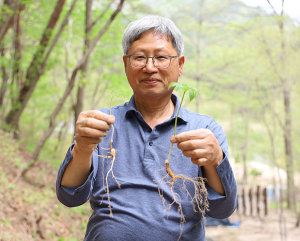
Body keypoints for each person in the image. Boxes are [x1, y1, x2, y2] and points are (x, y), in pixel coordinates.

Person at [56, 15, 237, 241]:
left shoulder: (205, 129)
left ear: (180, 65)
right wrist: (82, 147)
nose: (150, 67)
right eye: (139, 57)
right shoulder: (102, 124)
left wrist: (215, 159)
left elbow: (221, 211)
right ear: (125, 64)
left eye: (161, 57)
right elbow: (69, 197)